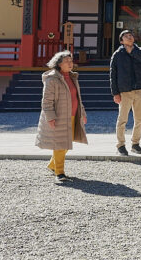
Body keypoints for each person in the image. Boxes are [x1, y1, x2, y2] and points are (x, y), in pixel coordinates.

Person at [35, 50, 88, 182]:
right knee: (60, 144)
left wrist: (82, 113)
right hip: (59, 116)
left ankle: (53, 165)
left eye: (71, 61)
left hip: (73, 114)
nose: (70, 63)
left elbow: (78, 98)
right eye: (67, 61)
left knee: (66, 142)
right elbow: (47, 100)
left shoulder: (72, 77)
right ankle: (60, 173)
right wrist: (50, 117)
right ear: (59, 64)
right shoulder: (52, 79)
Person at [110, 29, 141, 155]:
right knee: (122, 119)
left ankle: (135, 144)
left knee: (139, 119)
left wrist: (133, 52)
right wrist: (115, 93)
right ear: (121, 41)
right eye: (126, 36)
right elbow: (113, 74)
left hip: (138, 89)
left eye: (131, 35)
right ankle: (120, 145)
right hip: (124, 91)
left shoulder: (139, 50)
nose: (129, 37)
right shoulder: (117, 54)